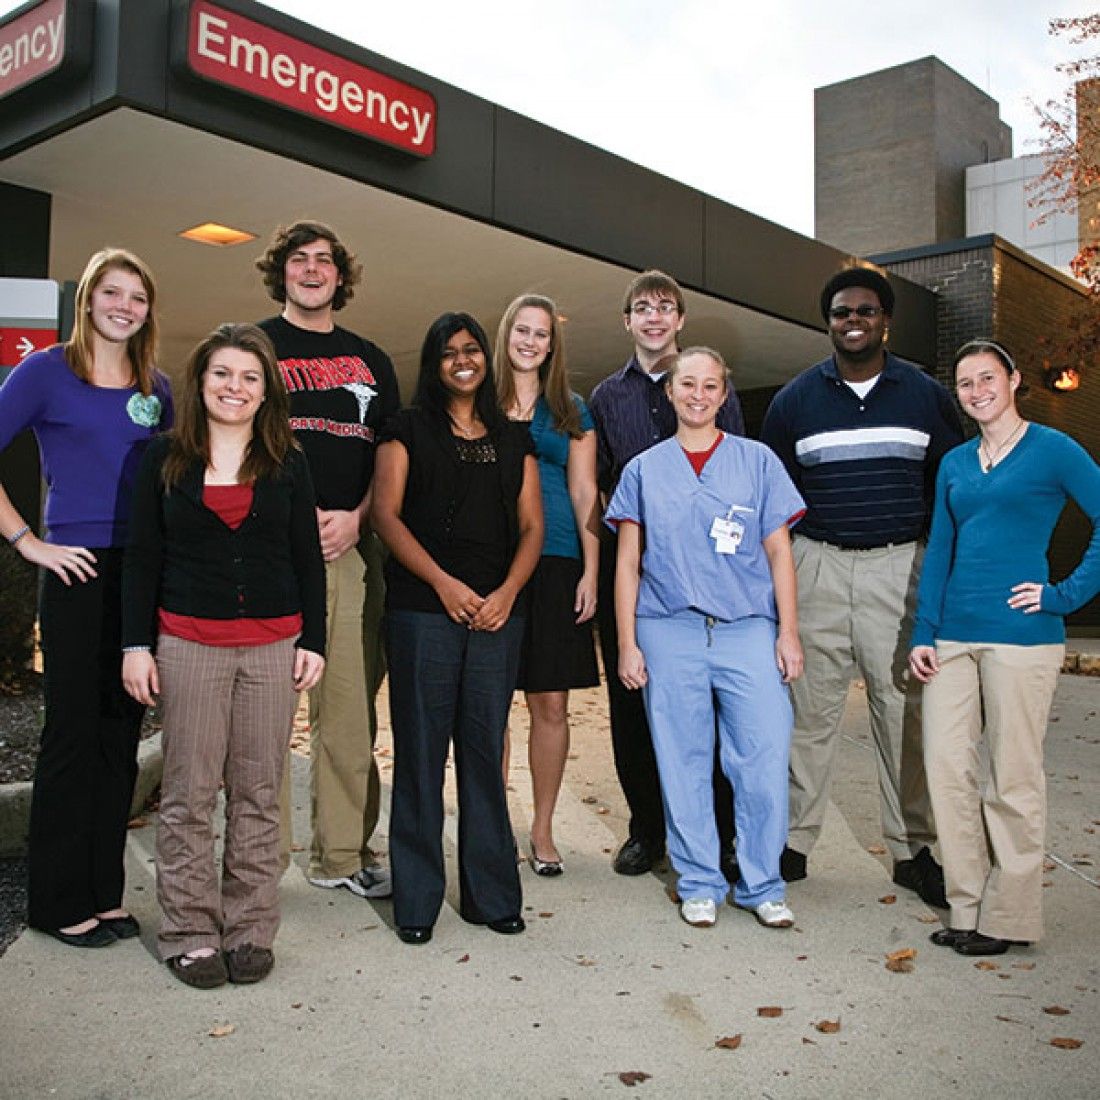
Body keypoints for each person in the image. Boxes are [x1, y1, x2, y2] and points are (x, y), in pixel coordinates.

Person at [122, 323, 326, 988]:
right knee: (187, 795)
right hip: (188, 646)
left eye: (248, 377)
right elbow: (143, 561)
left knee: (260, 793)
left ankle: (248, 928)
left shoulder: (288, 460)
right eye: (222, 375)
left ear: (265, 390)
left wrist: (315, 640)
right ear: (200, 382)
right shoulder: (161, 460)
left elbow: (306, 559)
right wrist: (135, 644)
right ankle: (188, 931)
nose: (234, 388)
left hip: (273, 647)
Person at [760, 266, 963, 907]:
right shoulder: (796, 399)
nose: (853, 321)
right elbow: (773, 497)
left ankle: (912, 850)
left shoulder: (925, 395)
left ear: (885, 321)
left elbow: (948, 486)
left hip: (897, 569)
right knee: (806, 715)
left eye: (866, 311)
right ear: (829, 323)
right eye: (842, 312)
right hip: (817, 565)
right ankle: (790, 843)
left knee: (901, 715)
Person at [0, 248, 172, 948]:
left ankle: (103, 893)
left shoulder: (154, 385)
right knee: (71, 737)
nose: (124, 305)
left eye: (137, 295)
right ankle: (56, 900)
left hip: (141, 572)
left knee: (120, 738)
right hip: (74, 570)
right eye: (112, 292)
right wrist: (26, 542)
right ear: (89, 299)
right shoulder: (45, 370)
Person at [909, 339, 1100, 956]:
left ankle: (1009, 916)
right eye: (964, 383)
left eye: (986, 377)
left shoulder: (1053, 450)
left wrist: (1061, 594)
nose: (976, 391)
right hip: (952, 639)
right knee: (945, 768)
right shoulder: (957, 463)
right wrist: (923, 632)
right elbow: (940, 549)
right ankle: (966, 907)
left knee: (1010, 777)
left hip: (1021, 639)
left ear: (1014, 379)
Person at [608, 347, 805, 929]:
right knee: (682, 759)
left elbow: (778, 552)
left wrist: (788, 633)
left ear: (725, 394)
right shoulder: (643, 469)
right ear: (669, 393)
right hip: (668, 628)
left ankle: (762, 882)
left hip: (747, 627)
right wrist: (627, 643)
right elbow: (627, 564)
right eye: (686, 384)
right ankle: (698, 881)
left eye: (710, 385)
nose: (697, 394)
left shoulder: (758, 461)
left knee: (763, 758)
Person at [371, 312, 543, 945]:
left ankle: (491, 895)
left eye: (472, 350)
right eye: (449, 352)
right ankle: (416, 899)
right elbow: (386, 517)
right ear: (433, 363)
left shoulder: (513, 438)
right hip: (423, 609)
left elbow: (532, 528)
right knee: (420, 755)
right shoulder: (405, 428)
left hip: (498, 613)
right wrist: (444, 585)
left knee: (482, 753)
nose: (463, 360)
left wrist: (506, 593)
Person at [256, 221, 400, 901]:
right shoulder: (252, 347)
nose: (312, 270)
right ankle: (259, 860)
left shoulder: (370, 359)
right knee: (263, 717)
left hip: (347, 551)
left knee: (346, 715)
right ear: (280, 272)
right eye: (298, 260)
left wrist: (357, 517)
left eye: (324, 261)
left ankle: (339, 856)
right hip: (265, 552)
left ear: (341, 276)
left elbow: (389, 459)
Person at [588, 270, 745, 879]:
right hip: (632, 569)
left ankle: (721, 835)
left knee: (708, 705)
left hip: (703, 576)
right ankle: (646, 830)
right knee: (632, 704)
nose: (654, 318)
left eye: (666, 308)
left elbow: (734, 474)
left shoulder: (713, 388)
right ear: (627, 321)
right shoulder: (607, 397)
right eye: (642, 308)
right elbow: (599, 485)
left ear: (680, 320)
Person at [494, 293, 600, 876]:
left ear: (552, 345)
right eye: (522, 330)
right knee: (490, 704)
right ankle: (498, 827)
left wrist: (591, 566)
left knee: (550, 702)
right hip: (493, 564)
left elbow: (586, 492)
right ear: (506, 334)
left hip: (559, 559)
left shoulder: (571, 407)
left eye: (542, 334)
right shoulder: (480, 399)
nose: (531, 341)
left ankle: (541, 829)